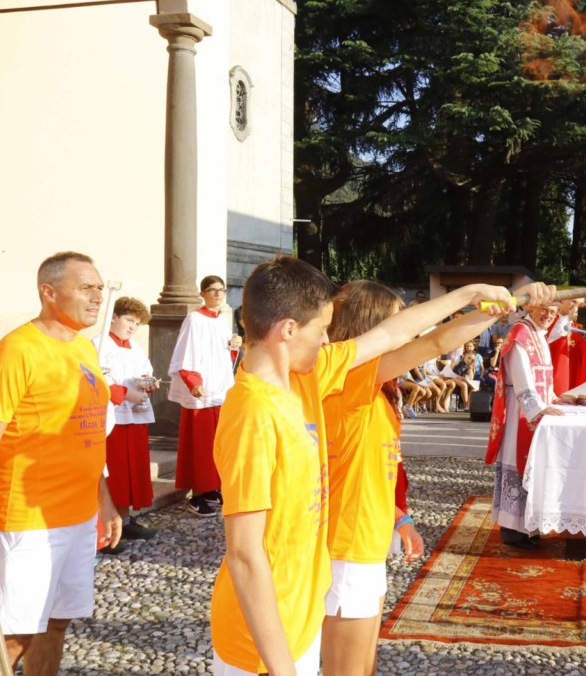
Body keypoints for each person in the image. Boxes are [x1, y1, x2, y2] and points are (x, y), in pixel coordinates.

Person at [209, 255, 519, 675]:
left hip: (298, 619)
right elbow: (245, 554)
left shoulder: (308, 376)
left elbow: (393, 333)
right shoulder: (252, 413)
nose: (327, 340)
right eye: (321, 329)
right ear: (288, 330)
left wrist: (472, 294)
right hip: (260, 643)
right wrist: (282, 668)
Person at [321, 279, 554, 676]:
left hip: (364, 543)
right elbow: (435, 343)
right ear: (372, 328)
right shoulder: (352, 377)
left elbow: (365, 470)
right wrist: (493, 301)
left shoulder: (373, 386)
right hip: (345, 550)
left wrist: (400, 517)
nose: (410, 334)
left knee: (364, 666)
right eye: (400, 324)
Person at [0, 251, 122, 675]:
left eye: (100, 288)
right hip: (26, 522)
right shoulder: (16, 351)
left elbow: (85, 434)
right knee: (12, 636)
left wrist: (104, 501)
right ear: (49, 292)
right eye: (87, 288)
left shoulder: (82, 348)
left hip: (77, 518)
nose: (98, 297)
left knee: (56, 623)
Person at [485, 302, 565, 549]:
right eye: (544, 309)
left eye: (553, 311)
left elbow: (544, 377)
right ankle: (512, 529)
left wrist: (556, 399)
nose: (548, 315)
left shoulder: (539, 334)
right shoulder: (520, 333)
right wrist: (537, 408)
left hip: (536, 410)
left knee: (533, 467)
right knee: (516, 462)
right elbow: (521, 378)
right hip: (520, 410)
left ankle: (529, 526)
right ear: (531, 308)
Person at [168, 275, 241, 517]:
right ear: (203, 294)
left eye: (221, 290)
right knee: (200, 445)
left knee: (218, 442)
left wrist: (233, 346)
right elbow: (186, 353)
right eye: (212, 290)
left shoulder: (222, 320)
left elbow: (222, 356)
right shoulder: (194, 319)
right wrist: (193, 381)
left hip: (220, 390)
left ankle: (212, 488)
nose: (218, 294)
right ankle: (197, 495)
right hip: (202, 391)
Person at [93, 296, 160, 549]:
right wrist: (124, 394)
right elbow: (98, 378)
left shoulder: (136, 348)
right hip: (112, 417)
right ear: (113, 317)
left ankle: (125, 520)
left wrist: (149, 383)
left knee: (131, 471)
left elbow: (144, 371)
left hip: (135, 415)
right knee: (114, 472)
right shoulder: (99, 344)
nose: (133, 327)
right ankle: (105, 530)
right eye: (129, 320)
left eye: (137, 324)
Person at [546, 298, 586, 396]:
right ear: (563, 300)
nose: (575, 307)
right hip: (553, 378)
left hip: (573, 379)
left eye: (579, 305)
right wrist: (567, 318)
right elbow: (551, 337)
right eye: (573, 301)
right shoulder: (549, 321)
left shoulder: (577, 329)